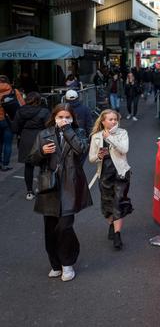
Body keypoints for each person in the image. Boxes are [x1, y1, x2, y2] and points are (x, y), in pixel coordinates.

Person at [28, 104, 92, 282]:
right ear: (54, 118)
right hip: (50, 186)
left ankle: (67, 263)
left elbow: (80, 150)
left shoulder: (78, 133)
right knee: (50, 228)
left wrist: (68, 130)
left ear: (73, 119)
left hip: (71, 185)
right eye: (60, 117)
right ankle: (55, 264)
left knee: (64, 226)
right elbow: (31, 159)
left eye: (67, 117)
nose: (64, 120)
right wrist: (41, 152)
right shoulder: (44, 134)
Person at [88, 109, 132, 250]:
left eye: (115, 119)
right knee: (107, 205)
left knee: (118, 202)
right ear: (103, 121)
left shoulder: (122, 133)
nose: (113, 122)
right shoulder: (96, 136)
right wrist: (99, 156)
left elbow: (124, 149)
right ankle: (111, 225)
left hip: (121, 173)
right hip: (105, 175)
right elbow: (91, 158)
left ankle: (117, 234)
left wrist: (110, 138)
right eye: (110, 119)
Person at [11, 92, 49, 200]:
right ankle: (41, 188)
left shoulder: (20, 111)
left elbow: (14, 128)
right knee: (43, 164)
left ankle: (29, 192)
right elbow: (49, 126)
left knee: (28, 166)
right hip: (40, 138)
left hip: (25, 139)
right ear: (38, 100)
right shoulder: (44, 111)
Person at [0, 75, 25, 170]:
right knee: (8, 143)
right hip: (9, 120)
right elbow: (22, 105)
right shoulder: (14, 91)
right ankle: (5, 164)